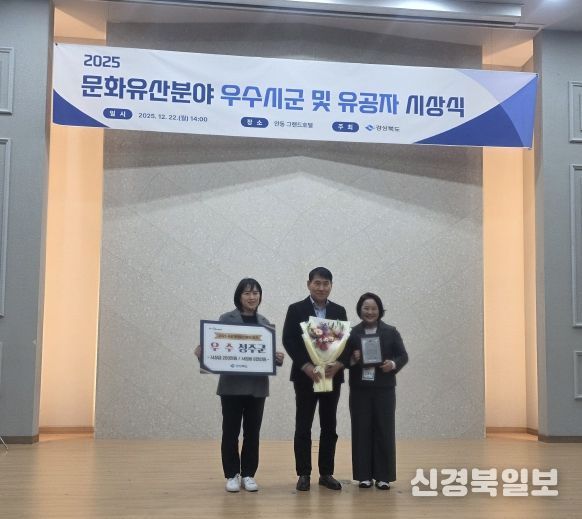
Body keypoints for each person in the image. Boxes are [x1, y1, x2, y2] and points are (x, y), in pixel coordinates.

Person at [195, 278, 284, 493]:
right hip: (231, 387)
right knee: (230, 432)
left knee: (252, 433)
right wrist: (202, 354)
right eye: (247, 293)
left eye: (255, 293)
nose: (252, 297)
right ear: (239, 296)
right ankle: (232, 474)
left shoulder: (264, 322)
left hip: (257, 388)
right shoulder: (226, 319)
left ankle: (248, 474)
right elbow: (216, 349)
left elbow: (263, 355)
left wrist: (276, 358)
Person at [282, 267, 349, 491]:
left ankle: (326, 473)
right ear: (308, 284)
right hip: (305, 377)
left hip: (331, 376)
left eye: (325, 283)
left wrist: (338, 365)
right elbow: (289, 340)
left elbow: (346, 343)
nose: (321, 288)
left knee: (329, 425)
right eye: (317, 283)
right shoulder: (296, 309)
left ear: (331, 286)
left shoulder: (339, 310)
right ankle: (303, 473)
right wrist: (306, 366)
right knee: (303, 425)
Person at [347, 292, 408, 490]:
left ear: (380, 310)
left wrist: (392, 364)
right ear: (360, 310)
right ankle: (363, 475)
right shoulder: (352, 333)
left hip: (384, 389)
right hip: (360, 390)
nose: (370, 312)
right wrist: (353, 358)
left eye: (374, 308)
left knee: (384, 429)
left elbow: (403, 356)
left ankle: (384, 476)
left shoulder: (391, 332)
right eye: (366, 308)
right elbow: (343, 360)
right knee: (361, 430)